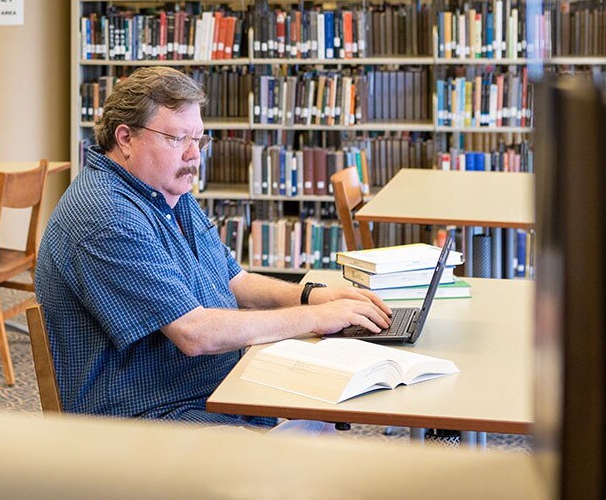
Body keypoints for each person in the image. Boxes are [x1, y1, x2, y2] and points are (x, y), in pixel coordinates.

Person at [35, 66, 391, 429]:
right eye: (178, 139)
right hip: (148, 415)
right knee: (314, 452)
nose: (194, 155)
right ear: (125, 137)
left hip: (213, 388)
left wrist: (313, 297)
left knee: (328, 417)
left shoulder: (166, 188)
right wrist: (315, 319)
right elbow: (194, 332)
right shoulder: (106, 216)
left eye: (200, 140)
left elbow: (234, 280)